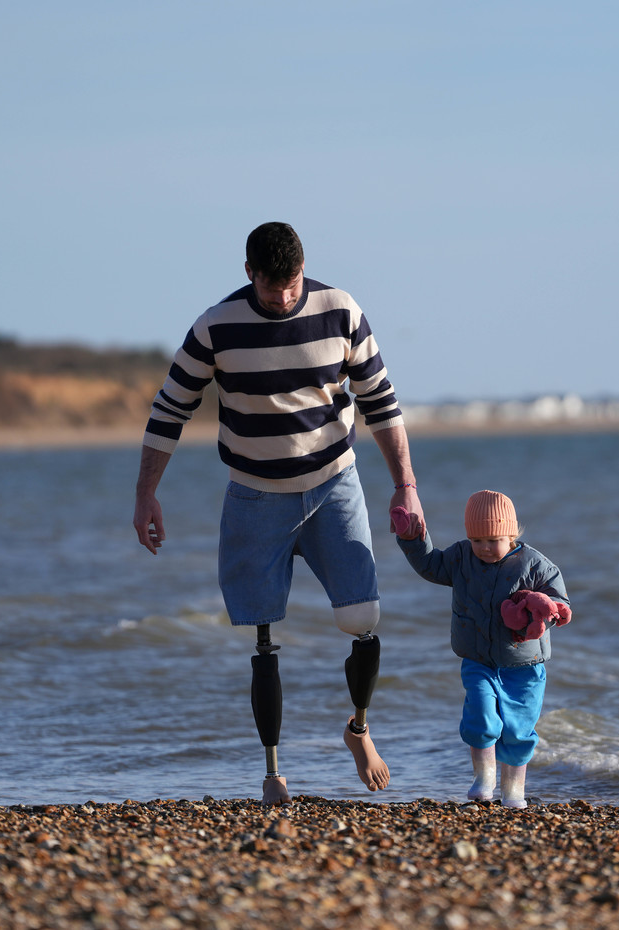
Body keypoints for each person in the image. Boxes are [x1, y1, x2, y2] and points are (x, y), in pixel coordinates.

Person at [132, 222, 425, 804]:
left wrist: (405, 486)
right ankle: (272, 774)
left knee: (362, 619)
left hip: (332, 484)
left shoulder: (340, 311)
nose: (284, 297)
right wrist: (146, 495)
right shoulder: (214, 328)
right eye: (272, 287)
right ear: (249, 274)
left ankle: (358, 729)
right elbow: (169, 412)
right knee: (263, 636)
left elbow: (380, 403)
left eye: (291, 284)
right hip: (254, 494)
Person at [390, 490, 570, 808]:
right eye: (476, 540)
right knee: (482, 719)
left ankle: (514, 791)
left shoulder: (535, 565)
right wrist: (412, 538)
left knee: (518, 729)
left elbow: (559, 603)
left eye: (493, 540)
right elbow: (430, 565)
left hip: (524, 665)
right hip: (478, 661)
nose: (484, 548)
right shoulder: (461, 558)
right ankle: (484, 778)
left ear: (512, 534)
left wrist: (546, 613)